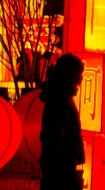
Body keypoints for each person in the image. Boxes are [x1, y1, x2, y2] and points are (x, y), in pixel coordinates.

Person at [39, 53, 85, 190]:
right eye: (78, 75)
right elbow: (54, 136)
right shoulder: (60, 100)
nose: (80, 80)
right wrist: (70, 155)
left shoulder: (58, 96)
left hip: (59, 166)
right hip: (61, 169)